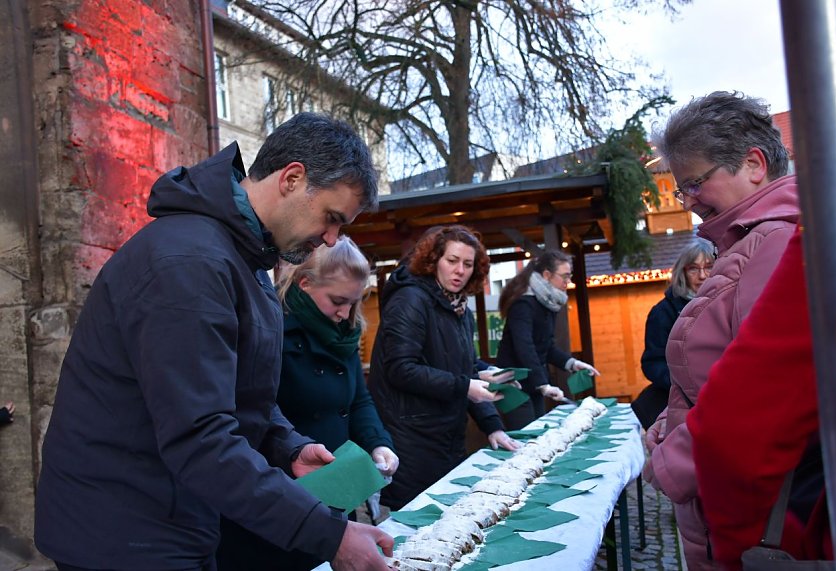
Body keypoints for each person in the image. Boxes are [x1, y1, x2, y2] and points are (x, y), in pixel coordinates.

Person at [34, 113, 394, 571]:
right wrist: (331, 536)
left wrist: (287, 447)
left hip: (166, 520)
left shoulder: (243, 260)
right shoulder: (190, 263)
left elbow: (238, 395)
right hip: (126, 535)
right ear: (292, 178)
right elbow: (200, 436)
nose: (330, 239)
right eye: (331, 218)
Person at [642, 91, 800, 569]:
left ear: (753, 163)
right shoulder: (750, 241)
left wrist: (672, 461)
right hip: (738, 501)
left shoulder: (775, 240)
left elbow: (768, 391)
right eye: (680, 189)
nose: (687, 201)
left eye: (693, 183)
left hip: (758, 508)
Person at [217, 236, 399, 571]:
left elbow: (358, 400)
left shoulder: (344, 333)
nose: (346, 314)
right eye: (338, 301)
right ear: (305, 283)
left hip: (333, 488)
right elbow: (254, 413)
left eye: (354, 303)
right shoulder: (271, 330)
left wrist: (378, 444)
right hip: (279, 495)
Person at [687, 228, 831, 569]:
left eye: (696, 181)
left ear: (756, 170)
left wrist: (753, 545)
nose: (689, 196)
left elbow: (735, 423)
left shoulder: (830, 216)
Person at [368, 225, 519, 510]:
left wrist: (493, 426)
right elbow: (400, 369)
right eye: (452, 261)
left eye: (467, 264)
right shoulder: (410, 299)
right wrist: (466, 386)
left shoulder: (460, 308)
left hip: (446, 436)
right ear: (434, 259)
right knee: (417, 528)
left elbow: (464, 367)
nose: (460, 270)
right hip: (410, 438)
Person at [494, 249, 600, 430]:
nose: (568, 282)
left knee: (539, 432)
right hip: (512, 383)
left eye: (570, 276)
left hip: (532, 381)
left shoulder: (547, 302)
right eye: (565, 276)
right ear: (547, 275)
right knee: (526, 437)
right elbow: (524, 347)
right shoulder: (524, 303)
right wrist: (543, 383)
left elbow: (546, 347)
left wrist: (572, 363)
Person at [632, 238, 716, 429]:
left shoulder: (726, 304)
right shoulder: (663, 312)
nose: (702, 275)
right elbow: (653, 363)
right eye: (694, 269)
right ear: (682, 272)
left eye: (709, 267)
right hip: (680, 405)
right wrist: (686, 385)